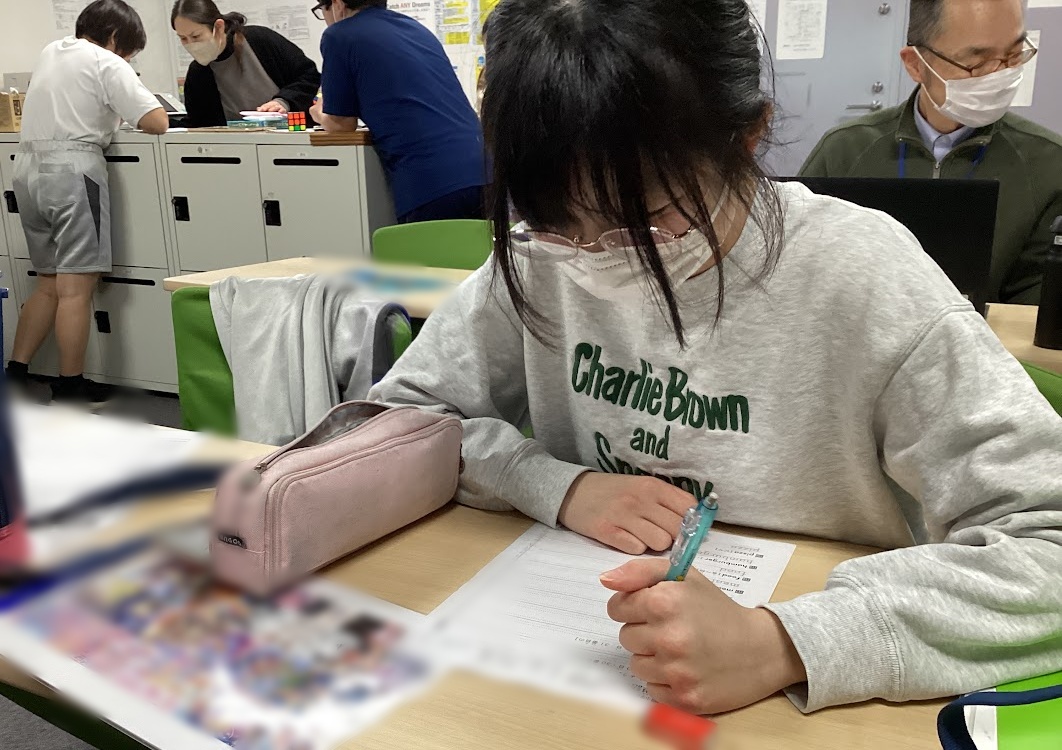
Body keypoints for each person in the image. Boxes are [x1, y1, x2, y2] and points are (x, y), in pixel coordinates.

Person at [369, 0, 1062, 717]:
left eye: (646, 220)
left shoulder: (865, 277)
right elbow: (398, 419)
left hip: (803, 688)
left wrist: (785, 642)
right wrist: (553, 484)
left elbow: (1048, 544)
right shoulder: (539, 259)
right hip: (571, 667)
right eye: (555, 222)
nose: (596, 256)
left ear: (749, 136)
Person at [800, 0, 1062, 306]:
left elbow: (1037, 307)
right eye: (976, 62)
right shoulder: (844, 150)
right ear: (915, 64)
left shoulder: (1048, 163)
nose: (1000, 75)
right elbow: (798, 266)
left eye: (1014, 55)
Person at [4, 0, 168, 405]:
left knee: (48, 281)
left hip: (27, 170)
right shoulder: (106, 61)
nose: (126, 59)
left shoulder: (51, 51)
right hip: (72, 171)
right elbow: (157, 121)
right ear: (114, 37)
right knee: (76, 287)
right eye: (128, 51)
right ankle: (70, 386)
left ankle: (15, 374)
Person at [310, 0, 487, 224]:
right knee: (475, 247)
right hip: (482, 169)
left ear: (337, 4)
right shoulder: (415, 28)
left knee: (428, 248)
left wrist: (317, 112)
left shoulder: (339, 35)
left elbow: (341, 125)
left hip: (430, 178)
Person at [171, 0, 321, 127]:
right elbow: (198, 123)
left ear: (219, 27)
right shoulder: (198, 73)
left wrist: (284, 101)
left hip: (292, 135)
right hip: (239, 147)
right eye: (183, 38)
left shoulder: (260, 41)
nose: (190, 44)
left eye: (196, 36)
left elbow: (309, 75)